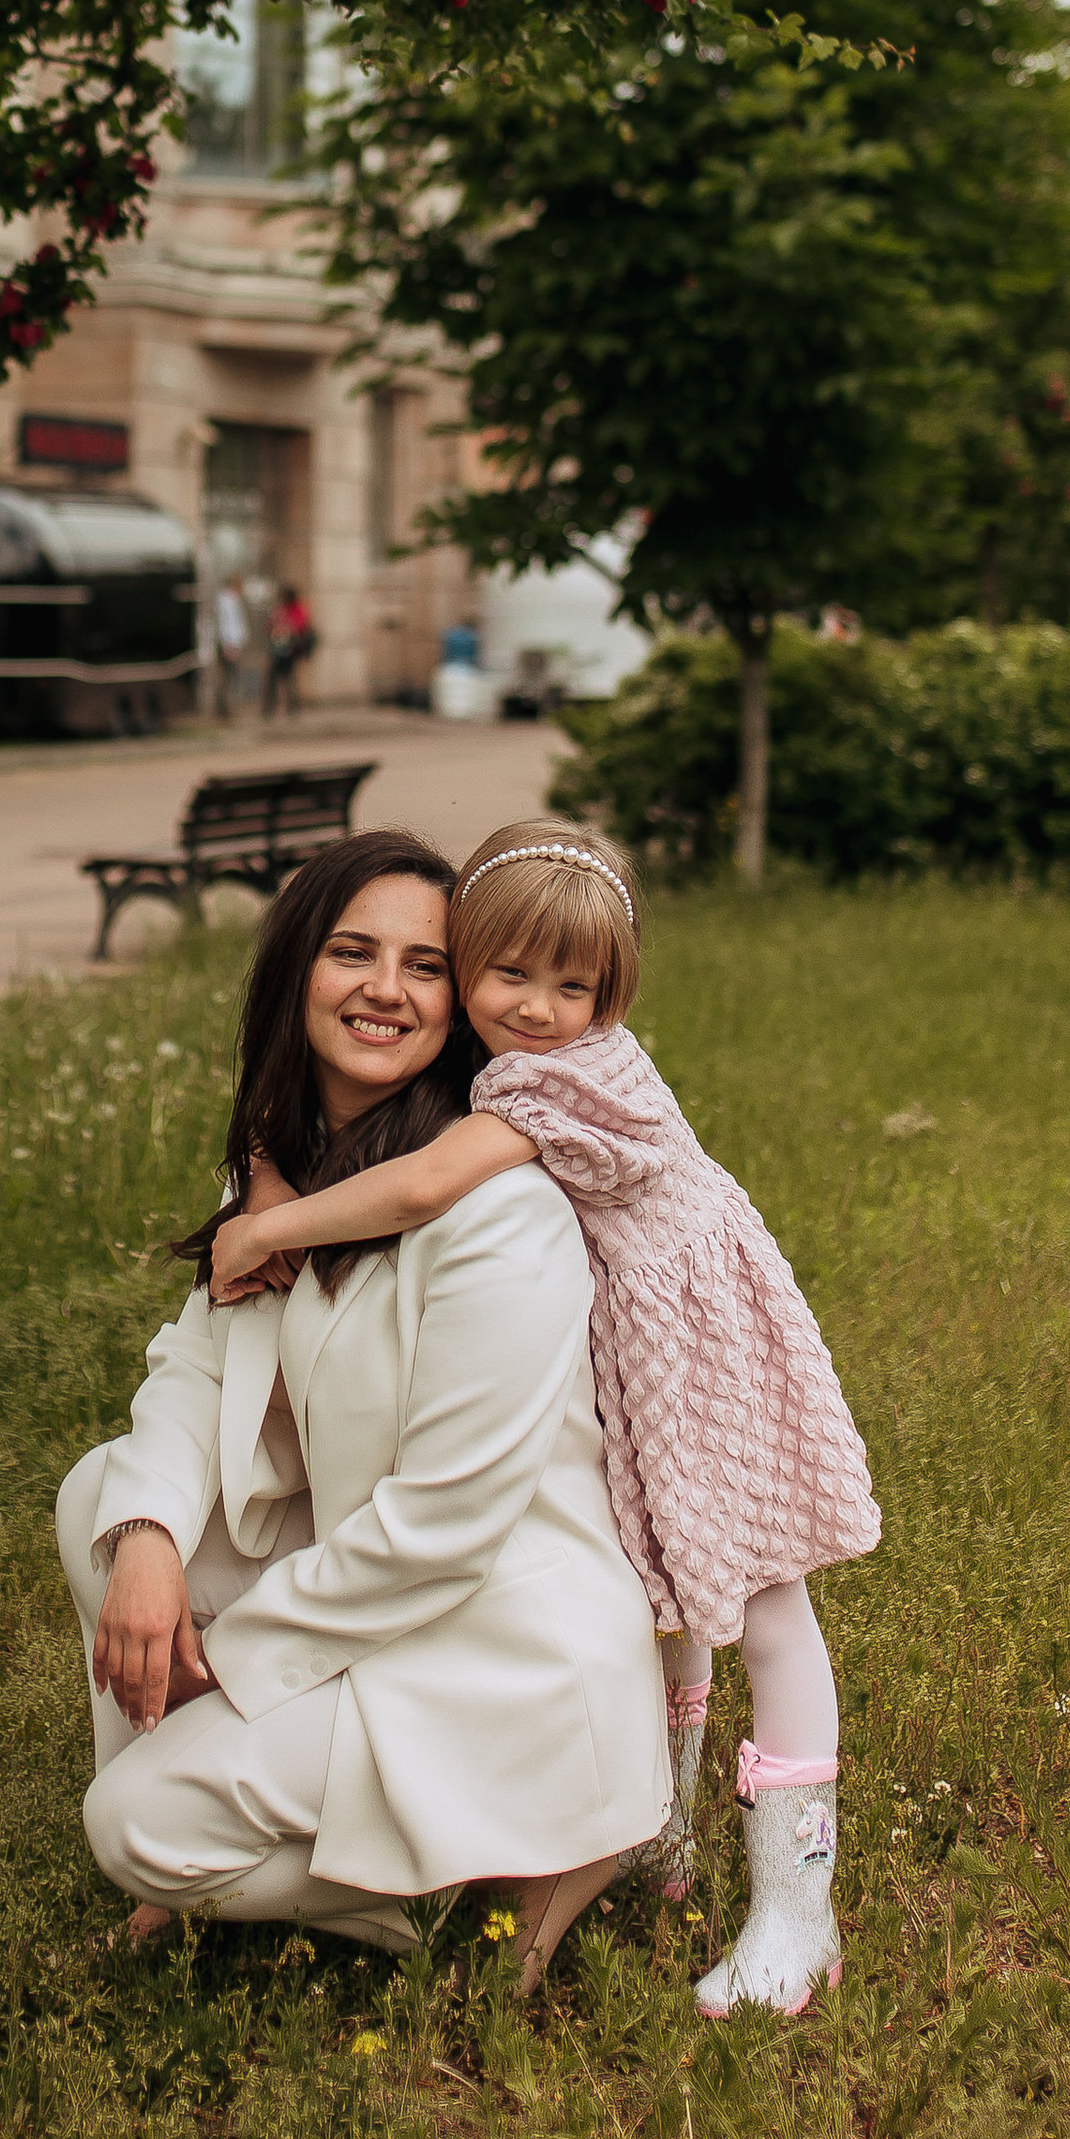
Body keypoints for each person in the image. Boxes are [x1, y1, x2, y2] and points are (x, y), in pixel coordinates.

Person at [211, 812, 881, 2021]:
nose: (535, 1006)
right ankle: (659, 1834)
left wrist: (262, 1227)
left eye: (573, 986)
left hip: (700, 1355)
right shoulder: (509, 1067)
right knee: (655, 1587)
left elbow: (418, 1184)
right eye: (507, 973)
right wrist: (266, 1160)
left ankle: (798, 1911)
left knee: (766, 1608)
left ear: (610, 998)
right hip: (635, 1351)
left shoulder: (563, 1081)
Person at [56, 830, 670, 1987]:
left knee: (131, 1828)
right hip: (380, 1587)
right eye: (351, 951)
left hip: (499, 1645)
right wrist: (144, 1544)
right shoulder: (286, 1173)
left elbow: (444, 1526)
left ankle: (478, 1895)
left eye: (426, 965)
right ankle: (220, 1839)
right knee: (105, 1493)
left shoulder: (497, 1211)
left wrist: (229, 1659)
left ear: (463, 1000)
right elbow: (196, 1368)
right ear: (298, 973)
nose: (385, 989)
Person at [262, 581, 313, 717]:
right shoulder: (282, 609)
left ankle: (291, 707)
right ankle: (271, 707)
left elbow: (300, 627)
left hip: (290, 649)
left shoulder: (296, 609)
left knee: (289, 678)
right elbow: (270, 626)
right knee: (278, 678)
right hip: (279, 648)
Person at [211, 573, 249, 716]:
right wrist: (228, 645)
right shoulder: (225, 601)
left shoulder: (232, 600)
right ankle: (225, 709)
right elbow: (225, 624)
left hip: (233, 644)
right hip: (229, 645)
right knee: (227, 677)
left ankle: (228, 708)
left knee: (230, 677)